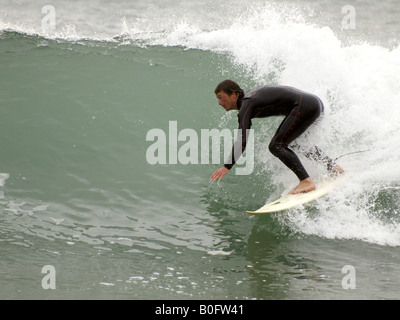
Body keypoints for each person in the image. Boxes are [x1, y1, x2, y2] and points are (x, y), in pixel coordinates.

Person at [209, 80, 344, 194]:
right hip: (314, 103)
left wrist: (227, 166)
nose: (219, 103)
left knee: (276, 146)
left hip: (304, 105)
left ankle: (306, 181)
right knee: (296, 143)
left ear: (233, 94)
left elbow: (242, 139)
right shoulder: (250, 97)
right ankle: (332, 167)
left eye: (221, 97)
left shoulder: (246, 105)